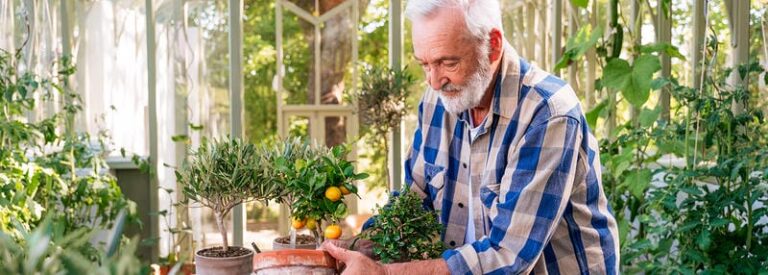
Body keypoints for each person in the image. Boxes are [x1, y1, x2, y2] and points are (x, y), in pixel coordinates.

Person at [321, 0, 619, 274]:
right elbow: (414, 199)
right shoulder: (437, 100)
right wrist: (358, 247)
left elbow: (509, 256)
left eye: (448, 63)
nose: (434, 81)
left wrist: (384, 273)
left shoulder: (547, 111)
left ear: (493, 45)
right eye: (424, 64)